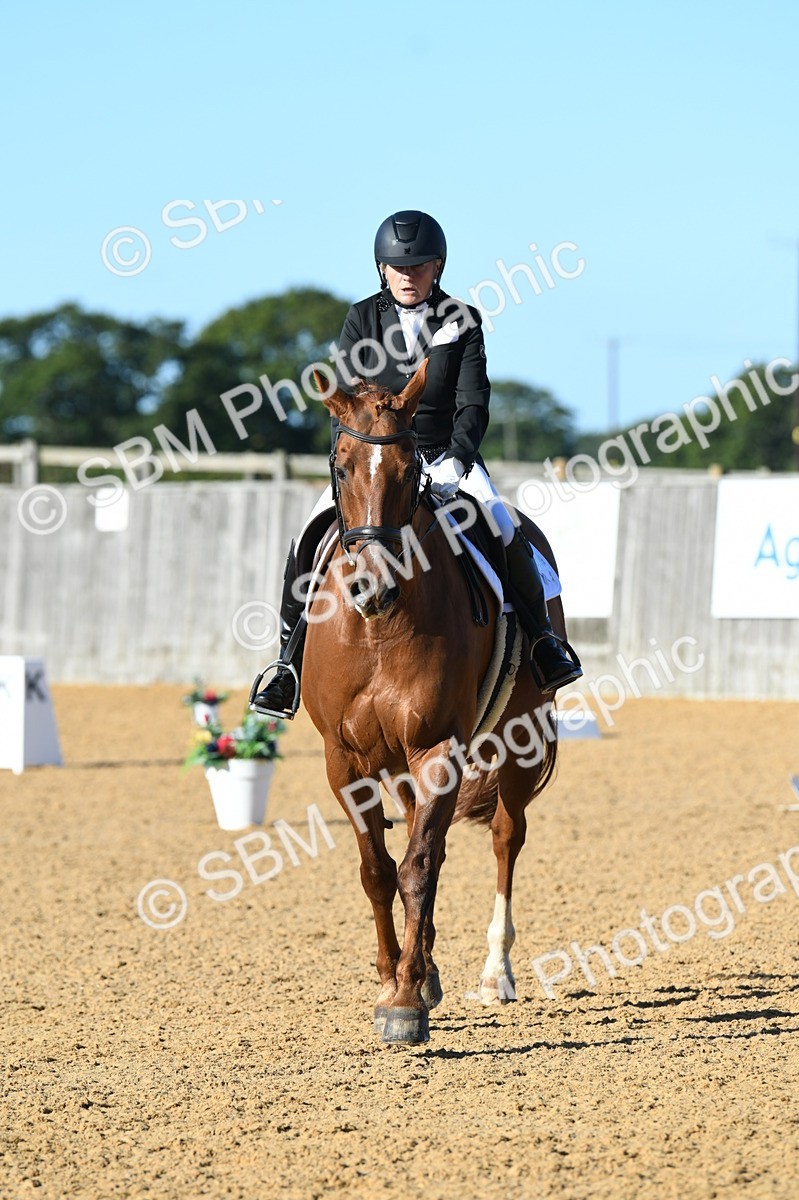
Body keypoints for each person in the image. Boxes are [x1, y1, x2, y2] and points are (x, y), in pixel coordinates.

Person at [250, 210, 582, 718]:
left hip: (447, 456)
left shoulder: (462, 320)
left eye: (419, 266)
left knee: (502, 524)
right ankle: (286, 666)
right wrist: (355, 459)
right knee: (308, 538)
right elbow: (346, 401)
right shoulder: (362, 317)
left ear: (437, 266)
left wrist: (457, 460)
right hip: (375, 457)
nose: (408, 275)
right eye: (397, 267)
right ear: (382, 269)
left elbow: (474, 403)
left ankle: (543, 644)